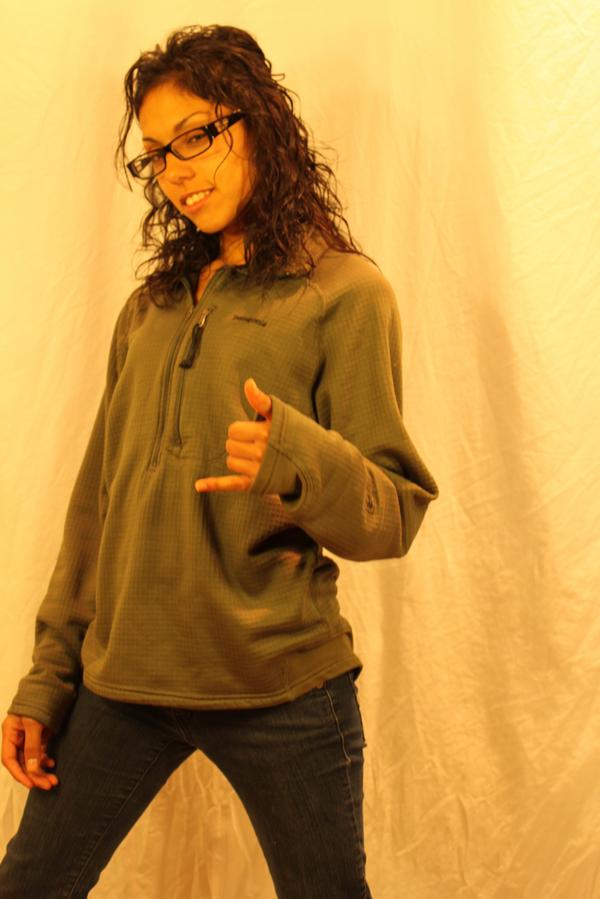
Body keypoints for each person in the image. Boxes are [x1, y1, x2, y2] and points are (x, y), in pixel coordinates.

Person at [0, 24, 439, 899]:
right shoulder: (152, 307)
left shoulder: (345, 294)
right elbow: (95, 509)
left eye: (197, 136)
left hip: (282, 686)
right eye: (157, 152)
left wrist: (297, 457)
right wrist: (48, 679)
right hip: (123, 681)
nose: (177, 171)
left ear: (260, 123)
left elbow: (395, 514)